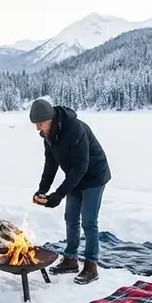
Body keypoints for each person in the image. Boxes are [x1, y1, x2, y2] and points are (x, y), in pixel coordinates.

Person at [28, 99, 111, 285]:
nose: (38, 128)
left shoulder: (74, 129)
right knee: (71, 218)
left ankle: (91, 265)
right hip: (75, 176)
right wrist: (43, 189)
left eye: (41, 124)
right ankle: (71, 259)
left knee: (89, 221)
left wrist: (59, 194)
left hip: (94, 176)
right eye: (36, 124)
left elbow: (81, 167)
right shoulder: (48, 135)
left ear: (51, 118)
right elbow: (51, 162)